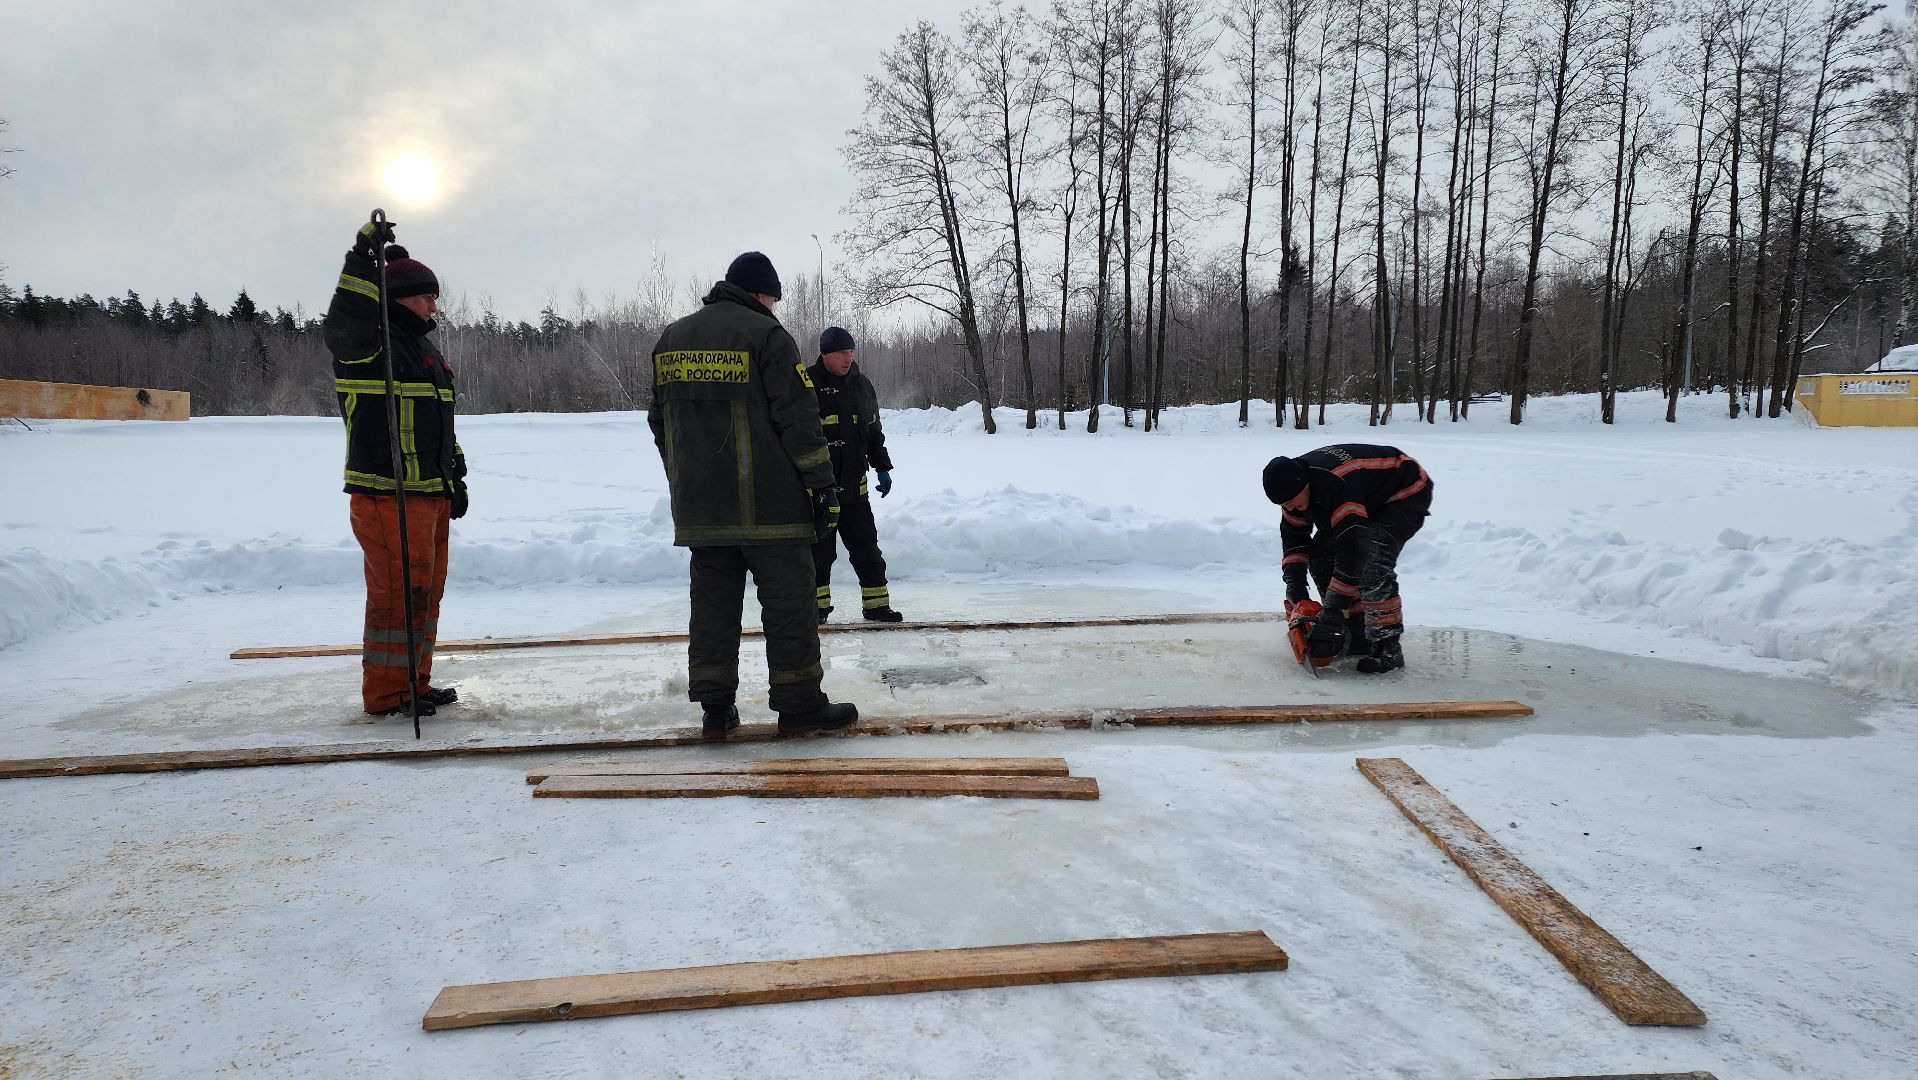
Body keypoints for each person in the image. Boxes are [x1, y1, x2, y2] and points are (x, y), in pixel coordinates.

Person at [648, 252, 859, 739]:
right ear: (761, 293)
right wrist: (821, 485)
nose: (774, 306)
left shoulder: (672, 339)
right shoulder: (767, 336)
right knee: (789, 605)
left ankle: (716, 710)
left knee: (713, 609)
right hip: (771, 508)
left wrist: (685, 478)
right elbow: (798, 420)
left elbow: (661, 421)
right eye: (773, 297)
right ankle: (800, 704)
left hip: (703, 510)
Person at [322, 220, 469, 717]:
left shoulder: (423, 349)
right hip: (388, 493)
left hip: (430, 492)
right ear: (399, 297)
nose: (434, 306)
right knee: (397, 597)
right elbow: (344, 319)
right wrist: (364, 257)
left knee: (425, 594)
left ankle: (414, 683)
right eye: (426, 297)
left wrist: (457, 474)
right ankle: (386, 695)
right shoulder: (369, 346)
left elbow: (437, 421)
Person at [1262, 445, 1432, 673]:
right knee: (1322, 558)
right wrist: (1296, 585)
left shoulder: (1335, 484)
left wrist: (1333, 609)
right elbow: (1295, 540)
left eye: (1292, 501)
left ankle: (1387, 647)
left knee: (1371, 563)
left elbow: (1353, 550)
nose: (1290, 507)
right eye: (1283, 505)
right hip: (1361, 497)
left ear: (1305, 484)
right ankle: (1356, 633)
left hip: (1401, 493)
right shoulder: (1292, 491)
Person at [806, 326, 903, 624]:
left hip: (855, 488)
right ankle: (816, 610)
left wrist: (882, 468)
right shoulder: (806, 384)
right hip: (819, 492)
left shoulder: (862, 385)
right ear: (825, 355)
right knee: (819, 555)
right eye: (841, 353)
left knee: (867, 550)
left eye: (851, 352)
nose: (848, 358)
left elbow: (874, 433)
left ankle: (876, 607)